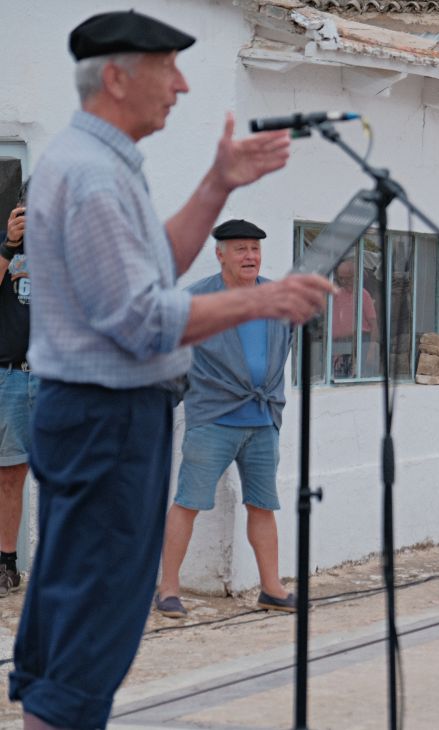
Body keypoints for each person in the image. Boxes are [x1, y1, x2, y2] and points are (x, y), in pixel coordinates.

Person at [9, 12, 333, 729]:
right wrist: (263, 299)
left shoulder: (103, 162)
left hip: (100, 415)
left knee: (77, 607)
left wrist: (218, 184)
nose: (182, 86)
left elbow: (156, 264)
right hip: (104, 418)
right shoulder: (92, 175)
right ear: (116, 77)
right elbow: (140, 319)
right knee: (96, 616)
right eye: (167, 69)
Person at [155, 220, 298, 619]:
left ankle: (271, 588)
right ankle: (168, 590)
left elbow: (283, 348)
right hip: (213, 419)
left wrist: (273, 401)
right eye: (240, 249)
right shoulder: (195, 300)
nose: (250, 256)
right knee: (188, 503)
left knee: (263, 505)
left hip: (263, 420)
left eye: (255, 249)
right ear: (220, 254)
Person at [0, 186, 36, 596]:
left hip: (58, 378)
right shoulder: (5, 245)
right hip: (10, 376)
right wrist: (9, 245)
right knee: (9, 474)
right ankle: (7, 564)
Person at [331, 258, 378, 379]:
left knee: (358, 378)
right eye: (341, 278)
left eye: (348, 278)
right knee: (340, 379)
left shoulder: (363, 295)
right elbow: (334, 323)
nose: (344, 282)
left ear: (356, 277)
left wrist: (372, 349)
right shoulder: (337, 295)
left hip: (361, 342)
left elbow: (374, 325)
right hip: (341, 343)